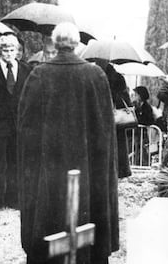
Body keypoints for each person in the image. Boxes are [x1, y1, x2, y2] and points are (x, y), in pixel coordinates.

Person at [18, 22, 119, 264]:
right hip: (89, 170)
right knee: (88, 214)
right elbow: (107, 129)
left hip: (50, 172)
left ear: (55, 42)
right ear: (77, 43)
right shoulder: (96, 75)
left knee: (49, 218)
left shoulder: (40, 74)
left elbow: (25, 127)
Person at [0, 34, 32, 209]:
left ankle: (14, 199)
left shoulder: (26, 69)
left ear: (17, 51)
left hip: (19, 124)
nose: (8, 53)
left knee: (16, 161)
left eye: (11, 49)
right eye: (5, 49)